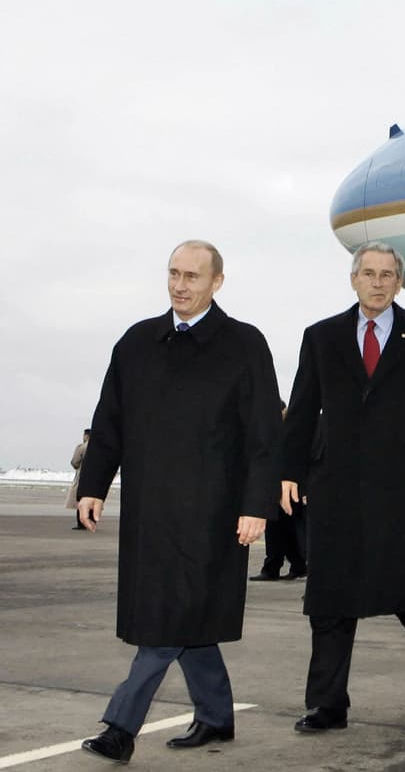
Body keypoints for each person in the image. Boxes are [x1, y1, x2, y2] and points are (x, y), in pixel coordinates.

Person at [77, 241, 282, 763]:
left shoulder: (244, 345)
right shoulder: (138, 341)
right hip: (150, 511)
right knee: (187, 618)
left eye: (192, 276)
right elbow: (110, 421)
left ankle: (121, 727)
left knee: (169, 621)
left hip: (214, 513)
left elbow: (264, 435)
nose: (180, 285)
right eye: (173, 273)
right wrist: (93, 486)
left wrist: (256, 505)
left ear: (217, 282)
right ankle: (215, 717)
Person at [281, 241, 405, 733]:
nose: (378, 282)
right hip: (335, 485)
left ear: (398, 283)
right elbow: (301, 408)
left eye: (387, 275)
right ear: (353, 279)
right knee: (330, 594)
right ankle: (328, 703)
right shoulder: (321, 337)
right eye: (369, 273)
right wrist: (289, 470)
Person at [252, 402, 307, 581]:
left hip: (287, 489)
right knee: (281, 531)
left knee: (286, 531)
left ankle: (286, 566)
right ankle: (281, 566)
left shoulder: (288, 433)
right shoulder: (276, 433)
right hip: (277, 489)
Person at [64, 429, 90, 530]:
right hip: (94, 478)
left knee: (81, 500)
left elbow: (75, 461)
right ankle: (91, 521)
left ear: (86, 435)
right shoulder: (99, 447)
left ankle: (82, 523)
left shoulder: (82, 447)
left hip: (82, 476)